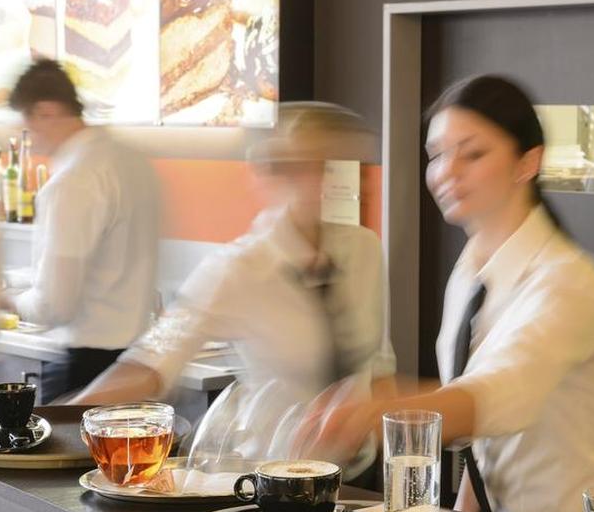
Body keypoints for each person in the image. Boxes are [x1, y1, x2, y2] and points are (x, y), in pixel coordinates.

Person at [301, 76, 594, 512]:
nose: (446, 171)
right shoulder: (470, 271)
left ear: (527, 162)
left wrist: (377, 410)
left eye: (472, 153)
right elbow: (483, 439)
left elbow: (498, 396)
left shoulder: (566, 281)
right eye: (437, 154)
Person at [70, 102, 395, 407]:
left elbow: (378, 371)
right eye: (305, 166)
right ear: (268, 174)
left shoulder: (365, 250)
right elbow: (150, 363)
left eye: (335, 165)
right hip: (273, 461)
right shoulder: (235, 269)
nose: (321, 180)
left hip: (358, 464)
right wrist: (54, 426)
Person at [5, 60, 162, 402]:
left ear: (46, 112)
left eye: (26, 126)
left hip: (85, 367)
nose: (26, 138)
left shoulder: (73, 180)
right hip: (134, 364)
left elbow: (55, 305)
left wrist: (6, 300)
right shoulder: (132, 161)